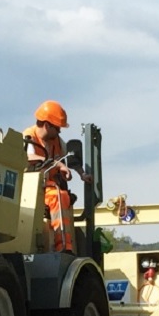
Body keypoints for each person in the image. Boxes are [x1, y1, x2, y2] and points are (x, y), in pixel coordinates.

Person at [22, 100, 91, 253]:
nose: (59, 132)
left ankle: (62, 243)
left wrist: (82, 174)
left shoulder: (57, 142)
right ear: (47, 125)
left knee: (63, 195)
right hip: (30, 190)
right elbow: (29, 156)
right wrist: (58, 164)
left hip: (47, 187)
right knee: (58, 196)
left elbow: (69, 159)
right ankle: (64, 247)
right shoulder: (29, 136)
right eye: (58, 128)